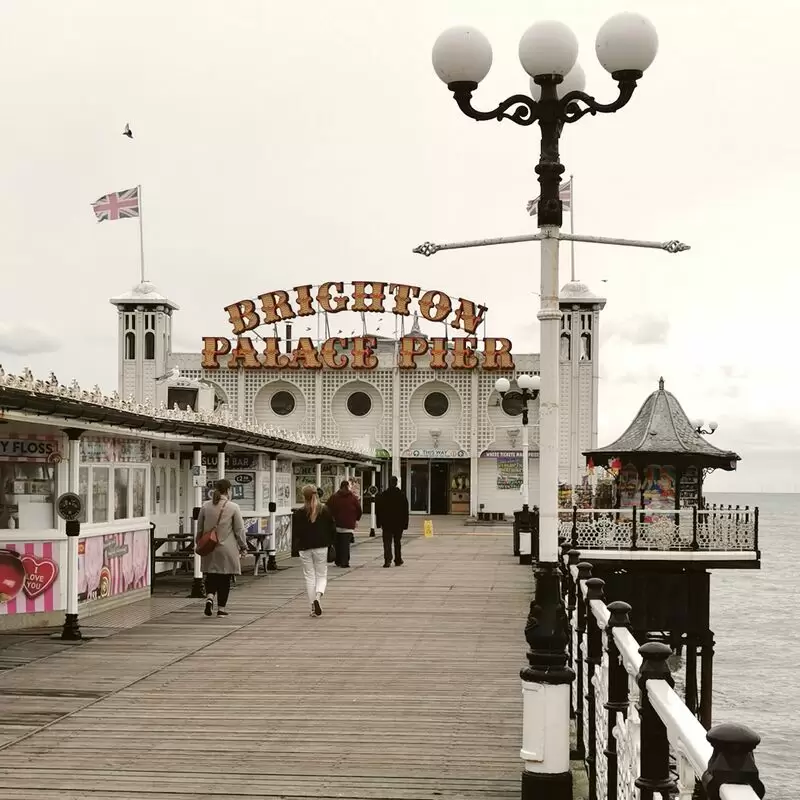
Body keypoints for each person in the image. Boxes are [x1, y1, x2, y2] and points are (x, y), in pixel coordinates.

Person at [197, 478, 247, 618]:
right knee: (225, 578)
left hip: (209, 547)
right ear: (228, 490)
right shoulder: (233, 507)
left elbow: (199, 528)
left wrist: (198, 543)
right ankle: (221, 609)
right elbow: (239, 530)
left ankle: (210, 597)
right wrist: (243, 547)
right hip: (227, 549)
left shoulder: (206, 506)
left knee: (211, 575)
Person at [292, 484, 336, 616]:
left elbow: (296, 532)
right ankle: (318, 597)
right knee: (321, 574)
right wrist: (330, 542)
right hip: (321, 546)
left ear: (303, 496)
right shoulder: (325, 510)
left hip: (305, 547)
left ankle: (312, 605)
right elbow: (332, 528)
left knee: (309, 576)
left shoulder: (299, 513)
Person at [326, 480, 362, 568]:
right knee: (346, 544)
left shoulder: (334, 497)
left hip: (336, 525)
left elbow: (327, 509)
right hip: (349, 526)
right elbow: (359, 510)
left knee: (337, 543)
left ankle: (338, 560)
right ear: (348, 487)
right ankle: (345, 562)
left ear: (340, 486)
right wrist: (356, 519)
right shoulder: (353, 498)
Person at [376, 476, 409, 567]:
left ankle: (387, 560)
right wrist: (405, 524)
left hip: (386, 523)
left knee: (387, 542)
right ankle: (398, 559)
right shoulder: (401, 495)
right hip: (398, 523)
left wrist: (378, 523)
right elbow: (405, 511)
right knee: (397, 542)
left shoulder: (383, 495)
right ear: (396, 483)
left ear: (389, 483)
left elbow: (378, 510)